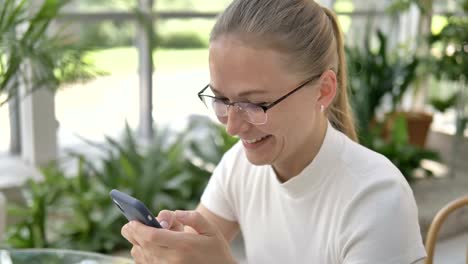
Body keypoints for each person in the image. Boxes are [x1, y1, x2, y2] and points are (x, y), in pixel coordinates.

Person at [121, 0, 426, 263]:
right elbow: (197, 243)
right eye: (222, 100)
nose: (232, 126)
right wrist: (173, 249)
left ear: (323, 91)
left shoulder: (377, 197)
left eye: (256, 104)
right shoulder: (239, 166)